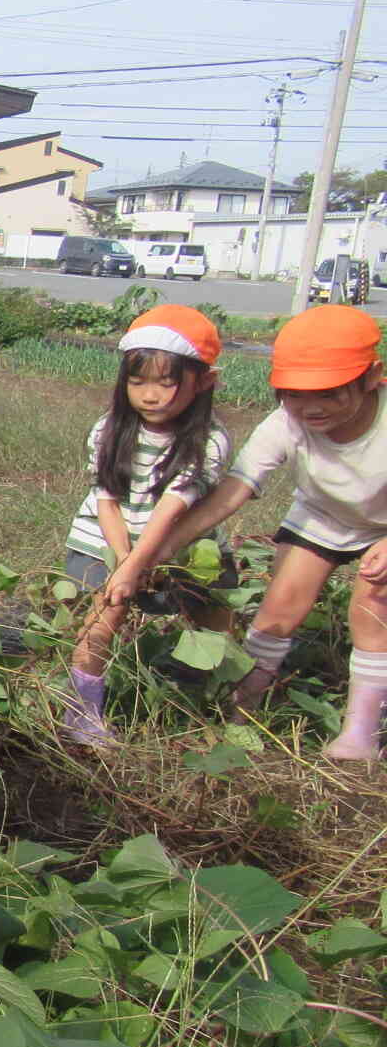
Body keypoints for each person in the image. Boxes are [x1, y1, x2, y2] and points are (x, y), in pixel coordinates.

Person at [105, 305, 387, 760]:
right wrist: (165, 548)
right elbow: (233, 491)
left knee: (372, 606)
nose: (310, 406)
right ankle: (243, 711)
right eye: (293, 393)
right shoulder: (286, 423)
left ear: (373, 376)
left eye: (330, 393)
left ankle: (360, 735)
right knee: (278, 610)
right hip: (322, 518)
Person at [59, 306, 233, 745]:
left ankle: (196, 692)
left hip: (178, 545)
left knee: (215, 611)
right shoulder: (108, 430)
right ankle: (79, 711)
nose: (150, 395)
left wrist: (142, 561)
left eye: (166, 382)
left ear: (205, 382)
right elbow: (106, 499)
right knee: (107, 611)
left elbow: (175, 506)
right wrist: (124, 562)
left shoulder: (210, 441)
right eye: (137, 382)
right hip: (104, 541)